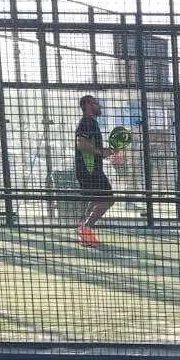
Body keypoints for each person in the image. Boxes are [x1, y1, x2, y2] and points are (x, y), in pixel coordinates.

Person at [73, 95, 121, 247]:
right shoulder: (87, 122)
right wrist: (101, 153)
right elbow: (81, 144)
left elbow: (90, 146)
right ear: (87, 104)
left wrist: (105, 151)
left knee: (96, 200)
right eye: (96, 103)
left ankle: (83, 231)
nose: (99, 105)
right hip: (90, 170)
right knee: (108, 199)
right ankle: (85, 228)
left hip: (90, 169)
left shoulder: (92, 123)